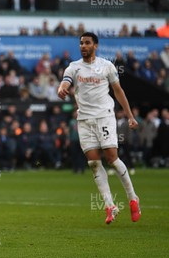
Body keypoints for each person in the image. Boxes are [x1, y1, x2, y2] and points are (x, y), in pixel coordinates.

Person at [57, 32, 140, 224]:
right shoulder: (74, 67)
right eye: (81, 43)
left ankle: (133, 198)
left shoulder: (107, 66)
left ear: (95, 45)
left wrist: (130, 116)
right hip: (84, 120)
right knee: (94, 164)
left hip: (104, 116)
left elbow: (118, 91)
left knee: (111, 157)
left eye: (87, 43)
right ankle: (110, 206)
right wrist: (62, 89)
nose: (83, 46)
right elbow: (65, 82)